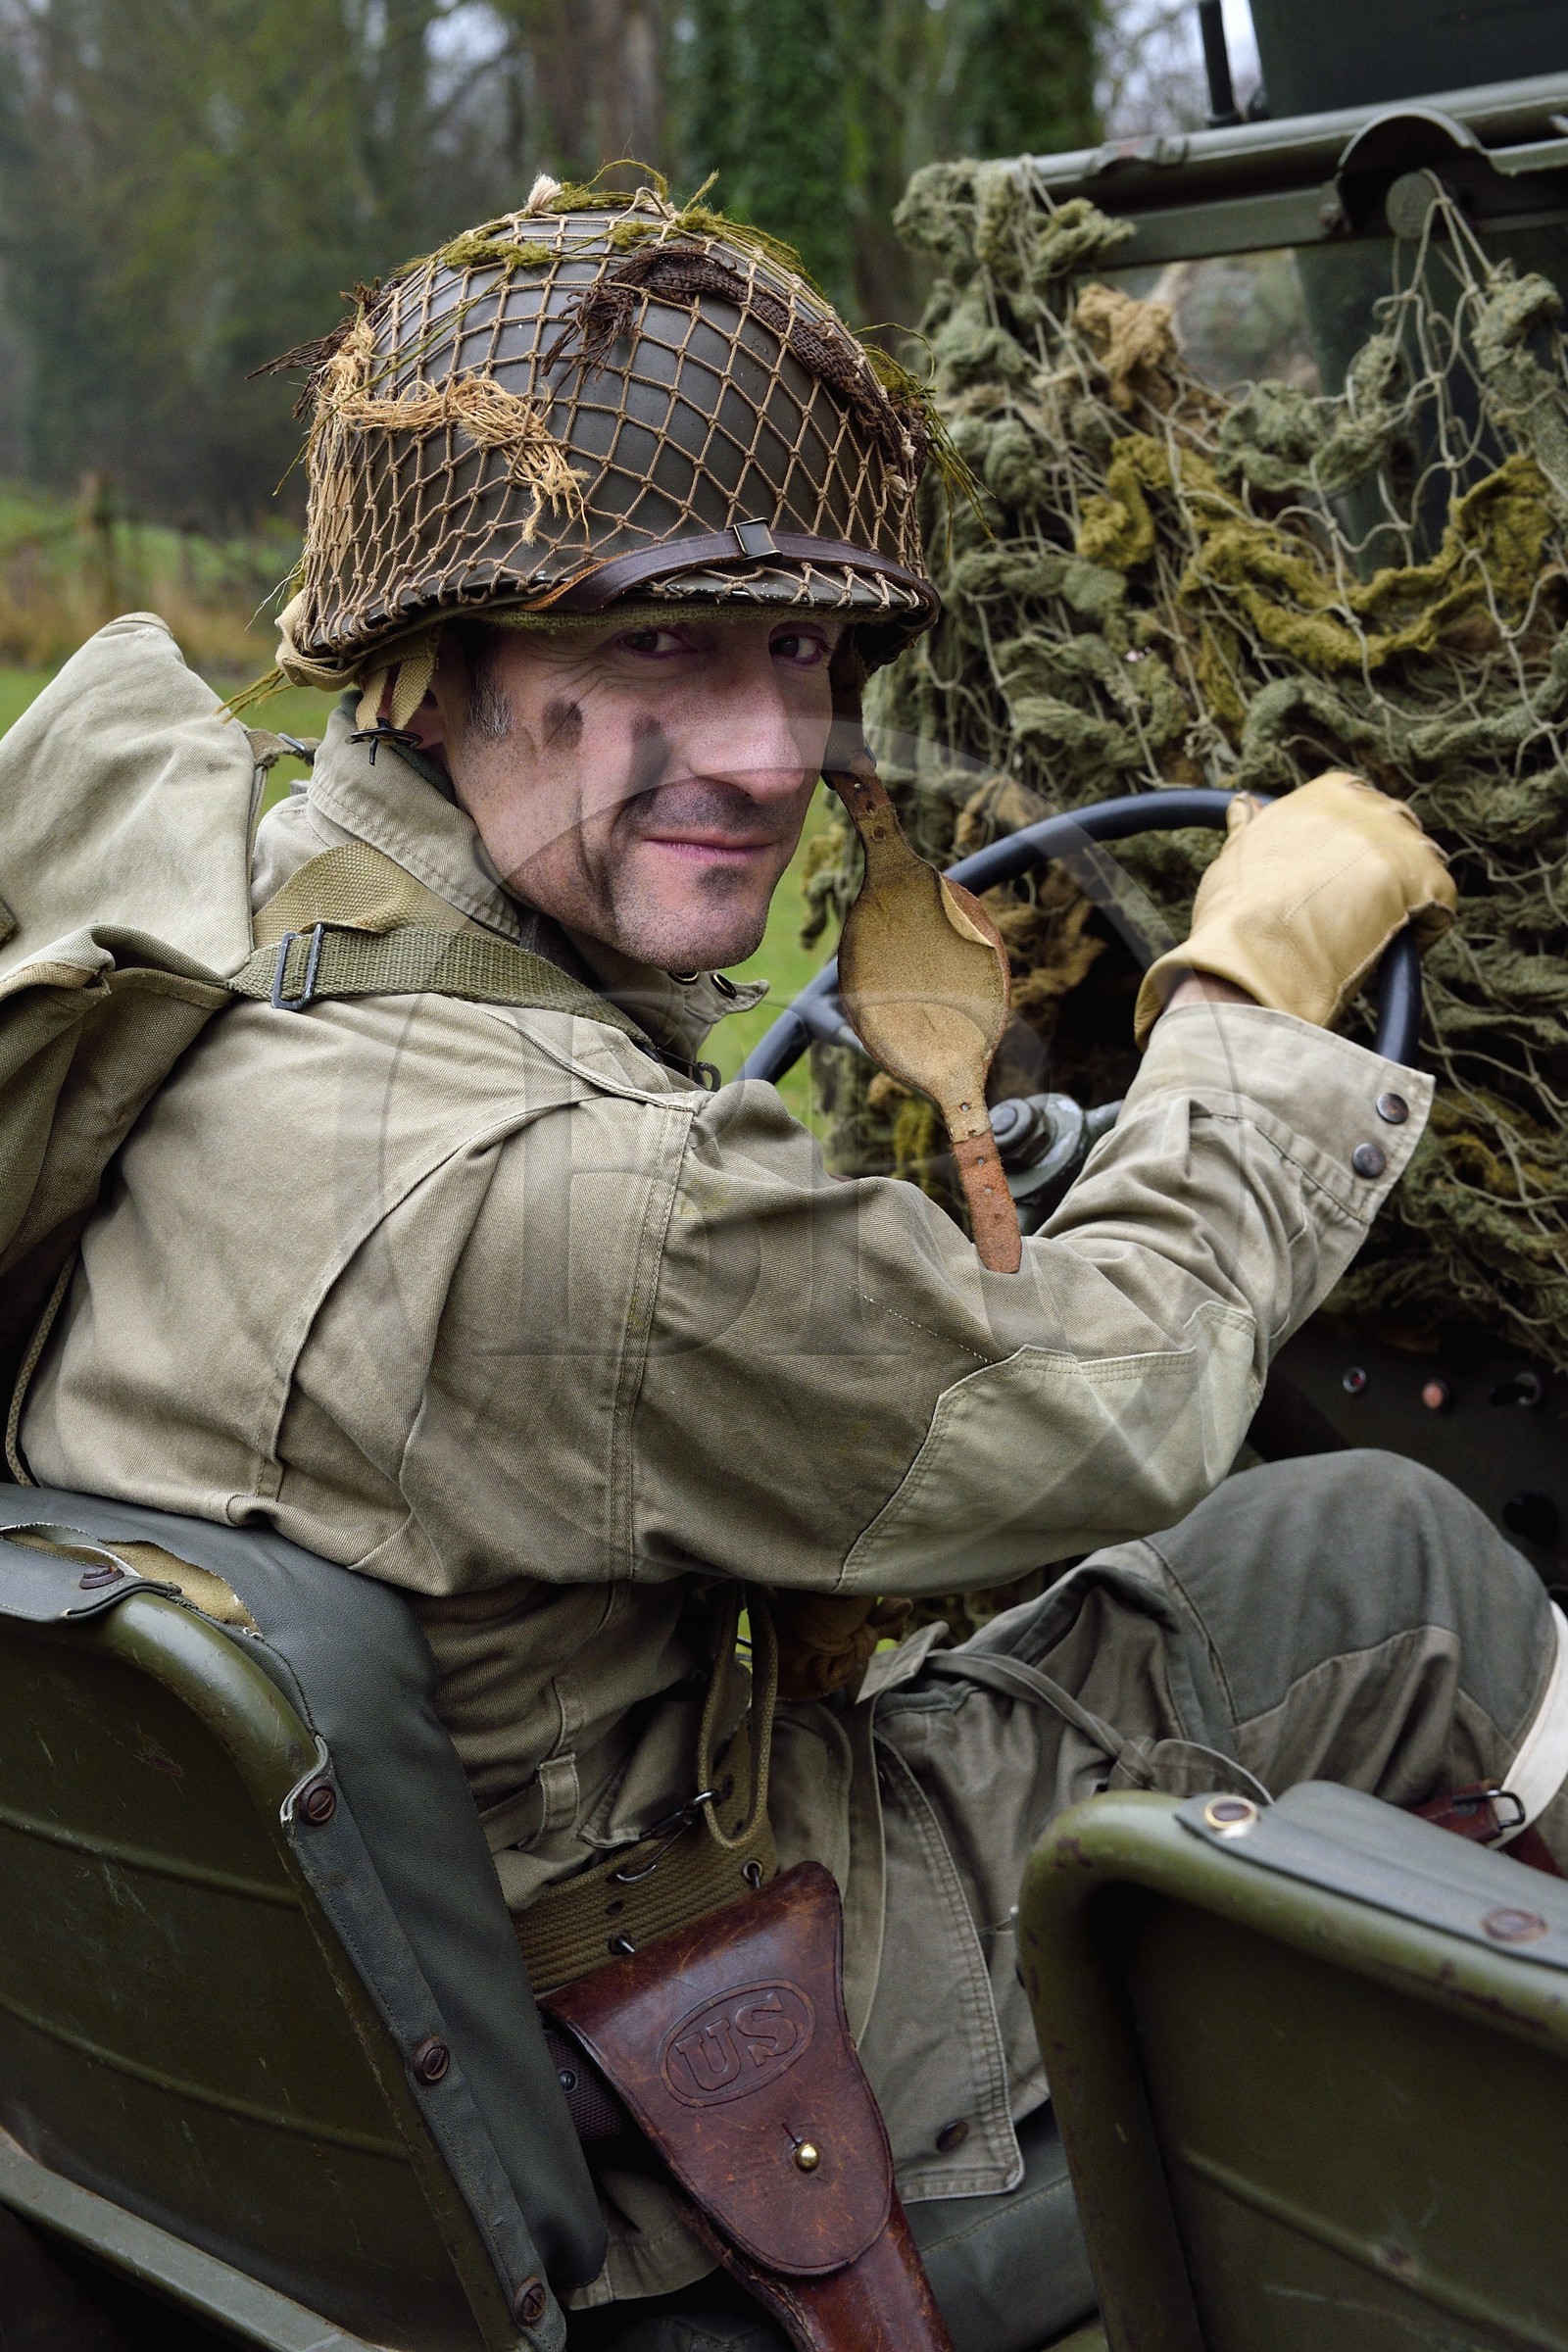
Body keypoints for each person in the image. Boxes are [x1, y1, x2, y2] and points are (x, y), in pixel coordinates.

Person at [18, 178, 1567, 2316]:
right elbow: (1115, 1412)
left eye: (807, 652)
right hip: (693, 2022)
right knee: (1383, 1557)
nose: (768, 750)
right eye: (660, 643)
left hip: (366, 2016)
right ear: (434, 665)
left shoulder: (206, 959)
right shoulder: (586, 1208)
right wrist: (1242, 1019)